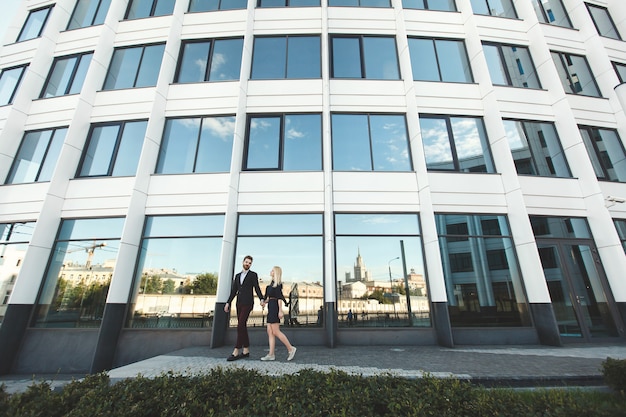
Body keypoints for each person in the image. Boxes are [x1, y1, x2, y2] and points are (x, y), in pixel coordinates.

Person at [224, 255, 265, 361]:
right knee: (242, 327)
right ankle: (246, 350)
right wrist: (228, 303)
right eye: (246, 262)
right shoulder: (237, 276)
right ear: (243, 262)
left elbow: (257, 287)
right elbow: (234, 291)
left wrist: (261, 299)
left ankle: (236, 351)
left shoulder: (253, 275)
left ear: (251, 264)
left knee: (240, 325)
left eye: (250, 263)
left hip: (248, 303)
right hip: (239, 303)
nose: (247, 264)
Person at [260, 266, 297, 362]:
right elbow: (268, 298)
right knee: (270, 332)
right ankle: (271, 354)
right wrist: (264, 302)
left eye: (272, 270)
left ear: (276, 273)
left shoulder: (278, 285)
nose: (270, 271)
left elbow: (279, 298)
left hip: (275, 308)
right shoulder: (270, 286)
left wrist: (280, 311)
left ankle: (290, 348)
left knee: (276, 331)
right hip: (270, 307)